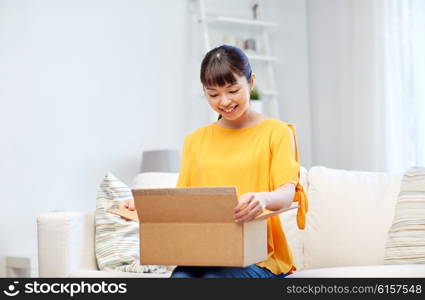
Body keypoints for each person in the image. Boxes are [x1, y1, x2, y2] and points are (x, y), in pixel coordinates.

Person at [120, 45, 308, 278]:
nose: (225, 101)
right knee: (179, 278)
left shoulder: (276, 132)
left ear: (251, 82)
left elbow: (287, 193)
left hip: (260, 258)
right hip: (204, 254)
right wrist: (147, 207)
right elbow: (184, 203)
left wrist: (263, 198)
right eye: (214, 94)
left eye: (233, 90)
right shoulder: (195, 141)